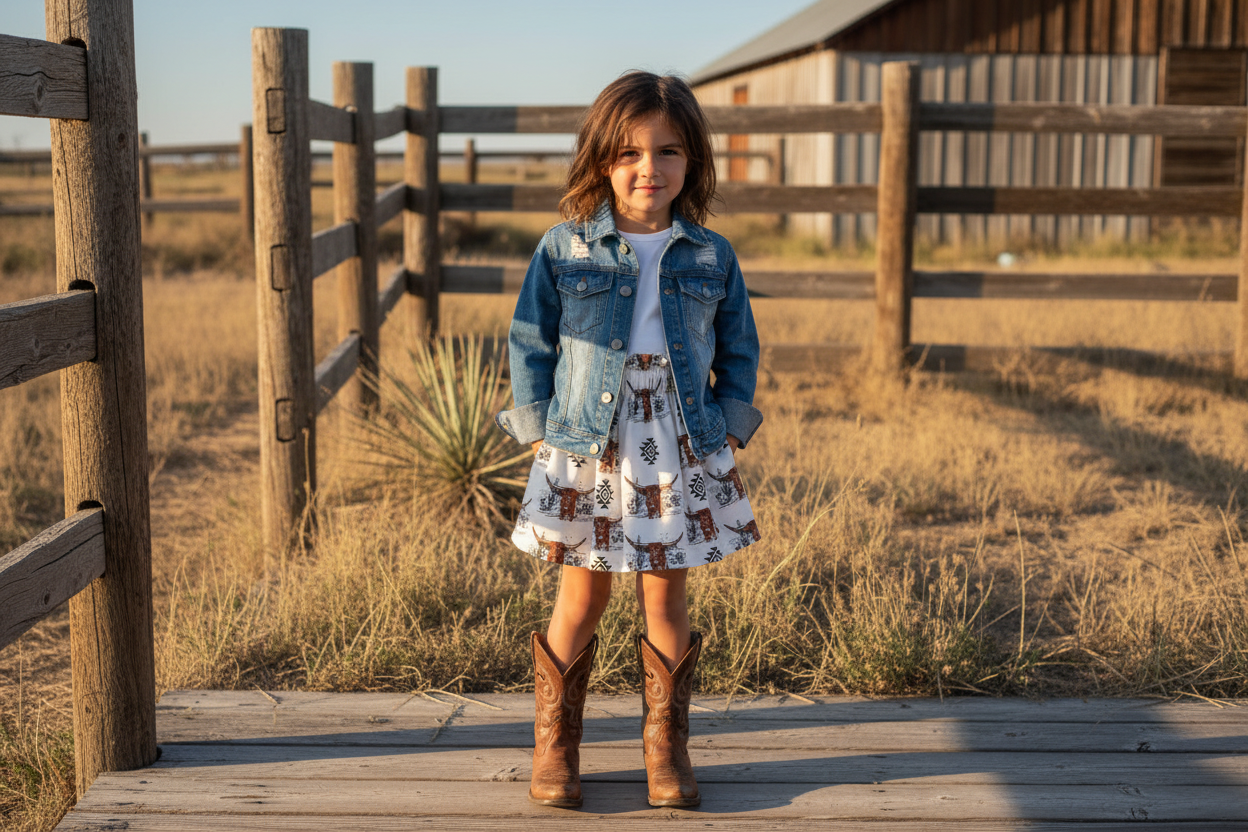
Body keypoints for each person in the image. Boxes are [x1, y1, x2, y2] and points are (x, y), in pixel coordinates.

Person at [495, 70, 763, 809]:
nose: (650, 169)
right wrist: (539, 427)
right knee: (580, 595)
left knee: (665, 598)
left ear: (693, 162)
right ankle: (556, 749)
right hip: (589, 439)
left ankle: (664, 750)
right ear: (601, 161)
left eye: (669, 152)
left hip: (677, 442)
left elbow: (739, 349)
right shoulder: (564, 249)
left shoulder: (712, 255)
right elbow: (530, 341)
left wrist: (727, 429)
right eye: (630, 153)